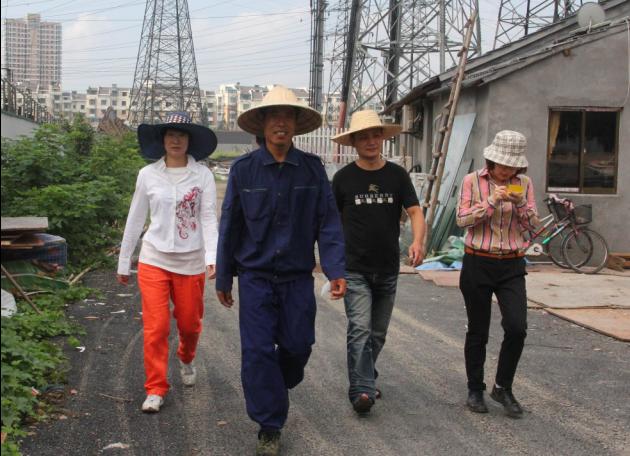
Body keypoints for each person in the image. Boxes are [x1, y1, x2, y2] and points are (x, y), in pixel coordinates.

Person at [215, 85, 346, 456]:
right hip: (255, 278)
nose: (281, 123)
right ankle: (269, 426)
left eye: (287, 116)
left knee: (297, 346)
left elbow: (328, 223)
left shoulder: (312, 169)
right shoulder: (243, 170)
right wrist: (224, 276)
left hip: (296, 278)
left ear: (295, 124)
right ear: (262, 123)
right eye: (274, 116)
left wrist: (336, 270)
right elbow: (230, 225)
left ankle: (278, 382)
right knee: (257, 351)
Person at [117, 112, 219, 413]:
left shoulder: (202, 175)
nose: (175, 140)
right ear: (162, 140)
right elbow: (136, 218)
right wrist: (124, 260)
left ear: (190, 140)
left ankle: (186, 357)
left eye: (181, 135)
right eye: (170, 134)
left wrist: (212, 256)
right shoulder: (148, 174)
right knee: (156, 327)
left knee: (189, 324)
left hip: (190, 261)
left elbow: (208, 218)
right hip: (154, 258)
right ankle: (156, 387)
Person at [331, 110, 427, 415]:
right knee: (360, 328)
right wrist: (330, 263)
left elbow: (415, 211)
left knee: (377, 334)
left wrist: (418, 241)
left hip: (387, 267)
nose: (371, 141)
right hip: (354, 268)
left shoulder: (397, 175)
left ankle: (366, 375)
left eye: (376, 135)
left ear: (382, 139)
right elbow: (330, 222)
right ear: (353, 142)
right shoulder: (343, 179)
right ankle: (361, 389)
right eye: (363, 137)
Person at [456, 130, 539, 418]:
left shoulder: (524, 184)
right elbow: (462, 219)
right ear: (492, 160)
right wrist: (491, 201)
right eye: (502, 164)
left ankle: (503, 387)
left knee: (517, 327)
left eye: (512, 166)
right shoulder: (472, 181)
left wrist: (521, 205)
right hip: (478, 261)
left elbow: (533, 226)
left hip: (512, 264)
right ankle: (475, 389)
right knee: (478, 329)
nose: (506, 171)